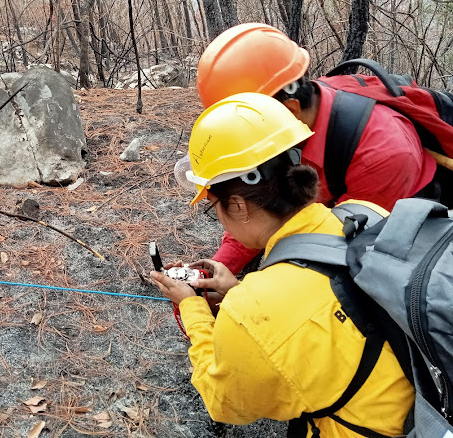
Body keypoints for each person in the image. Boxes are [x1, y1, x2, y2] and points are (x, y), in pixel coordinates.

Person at [153, 93, 413, 436]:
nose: (216, 215)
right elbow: (335, 296)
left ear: (239, 206)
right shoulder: (363, 213)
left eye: (212, 204)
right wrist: (238, 290)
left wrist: (192, 308)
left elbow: (223, 401)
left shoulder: (255, 312)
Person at [185, 22, 439, 276]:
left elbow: (339, 255)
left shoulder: (381, 154)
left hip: (397, 245)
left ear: (291, 109)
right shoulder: (286, 126)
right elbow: (258, 206)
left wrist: (245, 298)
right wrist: (215, 270)